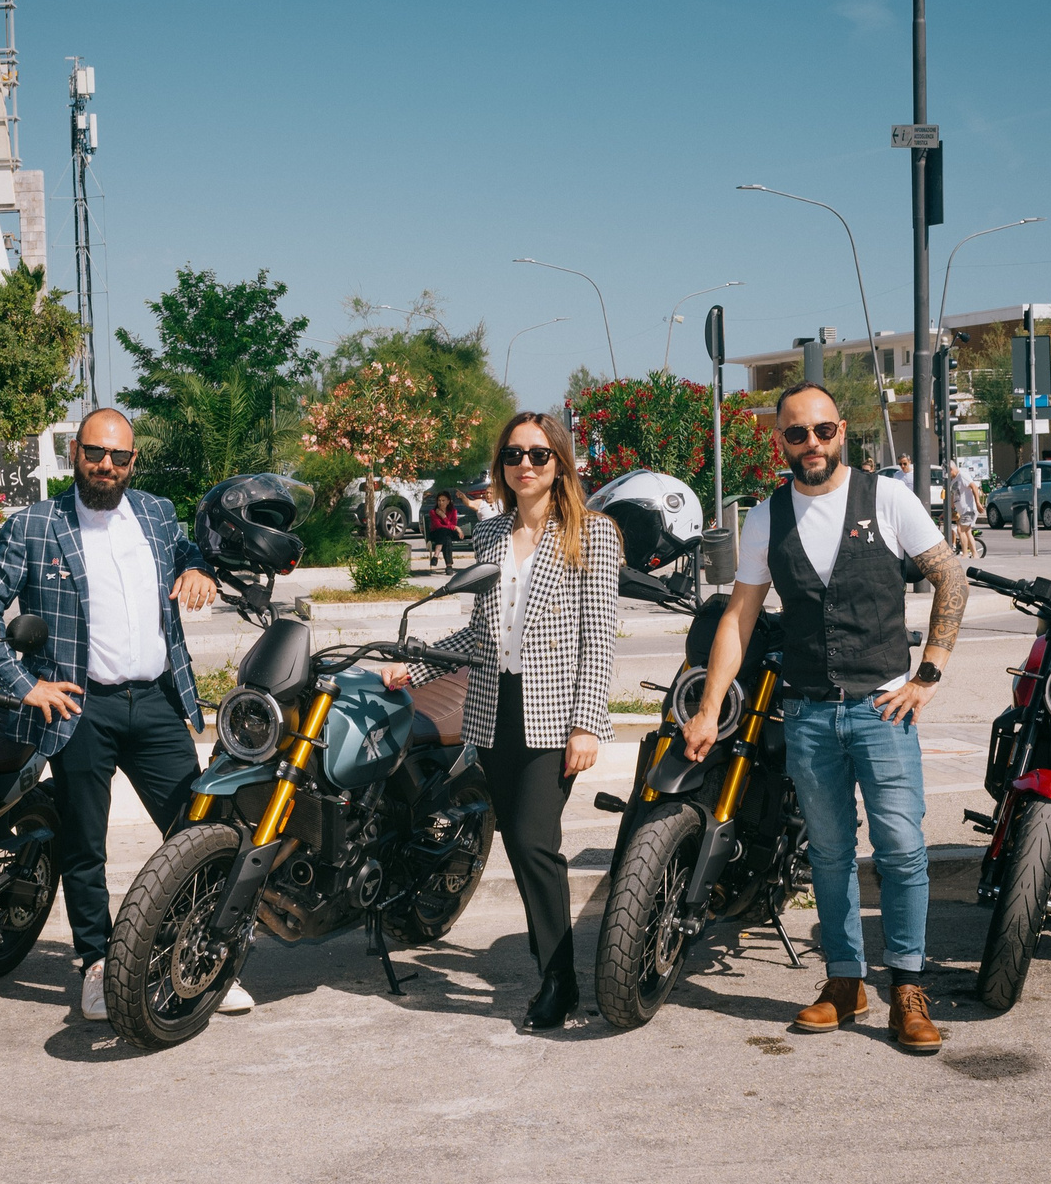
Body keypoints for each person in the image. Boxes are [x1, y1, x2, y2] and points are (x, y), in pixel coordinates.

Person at [682, 382, 965, 1052]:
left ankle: (907, 987)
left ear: (844, 432)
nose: (812, 444)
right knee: (831, 854)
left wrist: (928, 674)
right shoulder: (766, 518)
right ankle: (844, 982)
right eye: (797, 434)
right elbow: (740, 616)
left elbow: (950, 577)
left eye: (824, 430)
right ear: (779, 441)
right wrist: (706, 707)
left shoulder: (886, 497)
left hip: (883, 704)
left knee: (901, 847)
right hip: (808, 711)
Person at [0, 408, 239, 1024]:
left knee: (197, 832)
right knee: (85, 848)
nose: (106, 466)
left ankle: (202, 954)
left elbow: (194, 551)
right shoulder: (36, 525)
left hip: (159, 701)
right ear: (75, 454)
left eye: (119, 457)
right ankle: (95, 964)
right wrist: (23, 684)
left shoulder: (158, 514)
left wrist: (198, 569)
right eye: (94, 453)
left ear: (133, 462)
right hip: (79, 707)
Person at [388, 413, 617, 1029]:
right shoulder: (488, 536)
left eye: (539, 456)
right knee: (518, 842)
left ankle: (560, 980)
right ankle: (558, 973)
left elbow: (598, 638)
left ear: (560, 463)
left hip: (553, 714)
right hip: (493, 711)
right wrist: (415, 668)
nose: (525, 465)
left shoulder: (592, 534)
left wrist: (587, 722)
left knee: (533, 841)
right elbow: (483, 633)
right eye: (514, 455)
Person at [946, 460, 984, 558]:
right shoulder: (953, 480)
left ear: (951, 469)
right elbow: (954, 495)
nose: (948, 474)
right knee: (967, 532)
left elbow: (974, 487)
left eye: (948, 471)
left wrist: (978, 503)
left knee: (960, 530)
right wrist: (951, 508)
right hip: (963, 511)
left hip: (969, 509)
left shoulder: (962, 475)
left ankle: (965, 554)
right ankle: (975, 554)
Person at [425, 489, 465, 573]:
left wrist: (443, 516)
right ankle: (449, 566)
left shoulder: (453, 511)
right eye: (439, 500)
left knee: (445, 532)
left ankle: (436, 556)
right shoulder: (433, 512)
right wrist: (455, 527)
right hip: (436, 533)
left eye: (443, 500)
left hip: (449, 533)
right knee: (445, 535)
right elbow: (438, 526)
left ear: (448, 501)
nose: (441, 503)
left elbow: (453, 524)